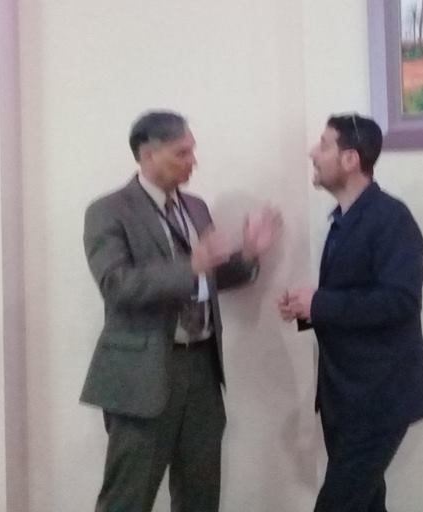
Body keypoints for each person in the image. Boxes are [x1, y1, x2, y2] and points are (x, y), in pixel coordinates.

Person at [81, 110, 280, 512]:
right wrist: (191, 266)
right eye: (181, 153)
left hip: (203, 368)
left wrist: (248, 255)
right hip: (143, 375)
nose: (193, 162)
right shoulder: (108, 211)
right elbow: (116, 285)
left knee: (200, 495)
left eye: (193, 151)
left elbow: (208, 277)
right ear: (147, 155)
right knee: (127, 498)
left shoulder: (196, 207)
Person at [279, 113, 423, 512]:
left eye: (324, 144)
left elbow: (400, 301)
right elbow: (355, 298)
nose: (313, 153)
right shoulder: (342, 220)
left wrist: (320, 303)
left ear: (350, 159)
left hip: (379, 398)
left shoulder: (391, 218)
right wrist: (307, 307)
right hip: (345, 397)